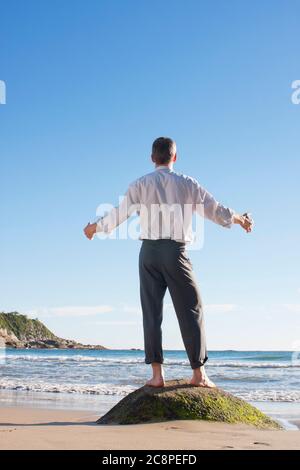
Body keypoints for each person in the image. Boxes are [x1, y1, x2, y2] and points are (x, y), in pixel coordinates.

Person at [84, 137, 253, 388]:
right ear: (175, 157)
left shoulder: (139, 184)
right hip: (175, 252)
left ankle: (156, 376)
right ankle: (199, 375)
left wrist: (94, 228)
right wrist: (240, 219)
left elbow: (117, 215)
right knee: (191, 309)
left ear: (153, 158)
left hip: (148, 253)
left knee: (151, 313)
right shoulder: (186, 183)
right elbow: (214, 210)